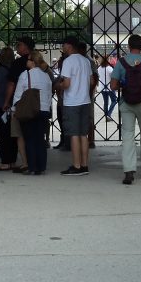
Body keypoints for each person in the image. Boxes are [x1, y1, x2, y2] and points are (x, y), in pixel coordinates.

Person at [111, 34, 141, 185]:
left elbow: (113, 86)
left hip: (126, 104)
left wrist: (125, 85)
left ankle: (129, 171)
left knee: (128, 136)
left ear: (128, 46)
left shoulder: (121, 63)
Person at [11, 50, 54, 175]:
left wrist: (14, 110)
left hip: (30, 110)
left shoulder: (25, 75)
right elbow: (49, 93)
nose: (26, 61)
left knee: (29, 138)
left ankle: (32, 166)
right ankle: (41, 166)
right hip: (44, 110)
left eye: (28, 59)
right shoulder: (46, 76)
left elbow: (18, 94)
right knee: (40, 139)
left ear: (33, 62)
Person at [57, 35, 93, 176]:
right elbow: (91, 81)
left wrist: (59, 85)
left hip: (72, 102)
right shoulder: (86, 61)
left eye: (64, 45)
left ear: (69, 46)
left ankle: (76, 166)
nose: (63, 48)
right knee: (83, 135)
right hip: (85, 101)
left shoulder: (68, 61)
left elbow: (66, 84)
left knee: (73, 135)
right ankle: (84, 165)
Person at [2, 36, 33, 173]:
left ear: (25, 47)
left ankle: (25, 162)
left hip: (20, 103)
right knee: (34, 133)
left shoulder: (18, 63)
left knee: (19, 133)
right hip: (37, 102)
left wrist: (6, 102)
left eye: (19, 44)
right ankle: (35, 161)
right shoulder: (40, 63)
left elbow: (11, 84)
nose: (17, 47)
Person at [96, 54, 118, 121]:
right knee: (114, 101)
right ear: (108, 59)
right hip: (110, 87)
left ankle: (106, 115)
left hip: (102, 87)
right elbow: (114, 77)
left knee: (106, 102)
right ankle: (108, 114)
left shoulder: (99, 68)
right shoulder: (109, 68)